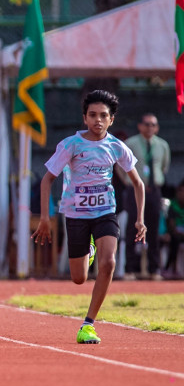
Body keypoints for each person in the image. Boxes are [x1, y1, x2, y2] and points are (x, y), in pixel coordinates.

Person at [34, 90, 146, 344]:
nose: (98, 120)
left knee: (108, 263)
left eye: (103, 116)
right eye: (92, 115)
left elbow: (138, 184)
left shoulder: (116, 147)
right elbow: (47, 180)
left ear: (111, 120)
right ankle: (89, 248)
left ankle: (88, 324)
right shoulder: (71, 145)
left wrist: (140, 219)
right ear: (84, 118)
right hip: (75, 214)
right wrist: (44, 218)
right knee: (79, 278)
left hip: (105, 211)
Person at [123, 112, 169, 278]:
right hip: (134, 190)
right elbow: (121, 169)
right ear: (140, 126)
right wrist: (133, 184)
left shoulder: (162, 145)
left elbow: (164, 166)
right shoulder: (130, 143)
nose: (150, 127)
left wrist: (153, 181)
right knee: (132, 228)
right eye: (147, 124)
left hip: (154, 191)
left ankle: (154, 269)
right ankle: (130, 269)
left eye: (153, 124)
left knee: (154, 229)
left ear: (156, 128)